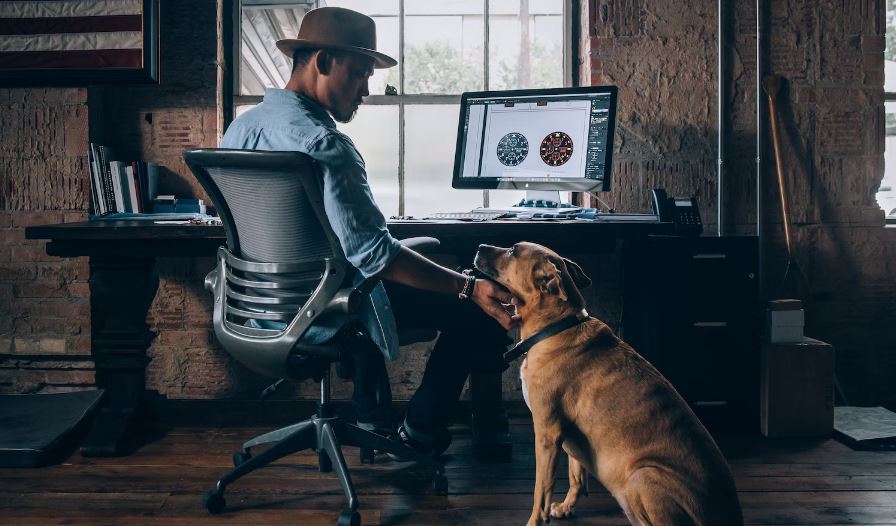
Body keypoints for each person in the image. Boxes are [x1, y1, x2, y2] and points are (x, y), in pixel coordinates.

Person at [220, 6, 518, 455]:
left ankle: (374, 417)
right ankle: (420, 431)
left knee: (443, 282)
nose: (366, 90)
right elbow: (376, 256)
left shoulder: (238, 131)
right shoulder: (326, 145)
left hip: (258, 308)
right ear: (321, 62)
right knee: (478, 303)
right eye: (359, 74)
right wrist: (469, 287)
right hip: (324, 310)